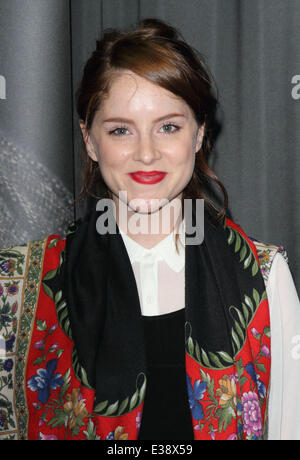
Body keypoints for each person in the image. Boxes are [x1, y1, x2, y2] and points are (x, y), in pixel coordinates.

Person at [0, 18, 299, 441]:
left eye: (169, 127)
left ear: (198, 134)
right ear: (89, 140)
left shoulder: (266, 278)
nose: (146, 153)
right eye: (121, 130)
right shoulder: (14, 284)